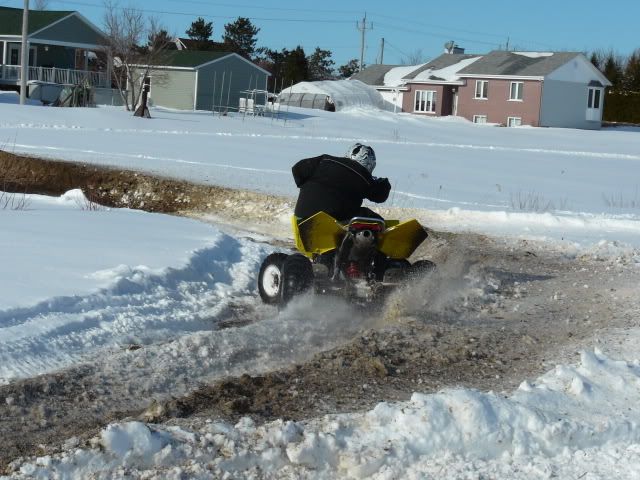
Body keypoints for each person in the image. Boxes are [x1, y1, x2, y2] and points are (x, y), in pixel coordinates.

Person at [292, 143, 391, 222]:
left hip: (300, 221)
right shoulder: (363, 176)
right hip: (331, 224)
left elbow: (298, 169)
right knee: (369, 217)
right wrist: (384, 183)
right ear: (369, 164)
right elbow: (380, 196)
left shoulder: (324, 160)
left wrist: (309, 188)